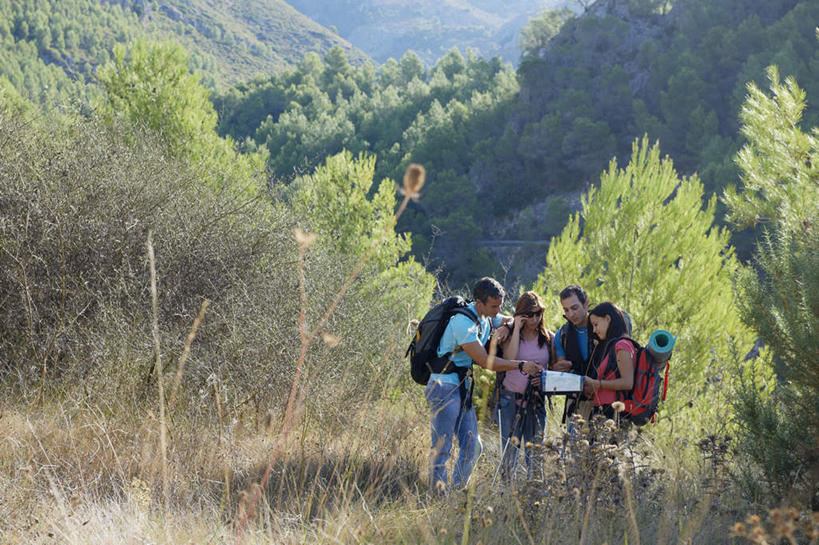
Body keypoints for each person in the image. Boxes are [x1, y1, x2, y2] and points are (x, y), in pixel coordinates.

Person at [427, 277, 541, 494]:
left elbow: (507, 318)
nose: (498, 309)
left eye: (500, 304)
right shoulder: (463, 323)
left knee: (473, 446)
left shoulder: (486, 316)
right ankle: (437, 496)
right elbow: (484, 362)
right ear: (479, 302)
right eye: (494, 306)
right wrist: (521, 365)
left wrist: (508, 326)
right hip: (443, 386)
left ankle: (458, 491)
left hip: (461, 386)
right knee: (442, 448)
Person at [497, 291, 555, 481]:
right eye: (529, 314)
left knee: (535, 453)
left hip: (536, 400)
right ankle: (506, 495)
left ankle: (534, 493)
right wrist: (514, 328)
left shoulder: (548, 338)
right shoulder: (510, 335)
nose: (534, 319)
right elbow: (510, 359)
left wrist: (543, 378)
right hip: (511, 399)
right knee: (509, 452)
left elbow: (553, 368)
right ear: (521, 314)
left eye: (538, 314)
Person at [582, 302, 636, 420]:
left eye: (596, 324)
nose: (594, 330)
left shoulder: (622, 345)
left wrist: (595, 383)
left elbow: (627, 382)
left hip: (614, 414)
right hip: (605, 412)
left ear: (607, 319)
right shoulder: (615, 345)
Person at [552, 285, 595, 420]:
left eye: (574, 308)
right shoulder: (562, 334)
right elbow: (562, 371)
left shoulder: (601, 327)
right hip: (575, 405)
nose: (570, 314)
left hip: (604, 402)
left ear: (586, 304)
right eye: (566, 310)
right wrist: (558, 368)